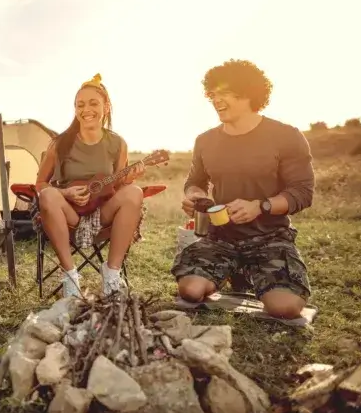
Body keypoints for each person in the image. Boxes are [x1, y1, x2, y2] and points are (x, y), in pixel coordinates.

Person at [171, 59, 314, 319]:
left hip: (269, 237)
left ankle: (251, 272)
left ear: (248, 92)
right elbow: (195, 181)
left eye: (225, 93)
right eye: (213, 94)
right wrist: (195, 196)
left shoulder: (286, 136)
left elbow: (302, 192)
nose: (216, 99)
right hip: (219, 236)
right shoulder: (205, 140)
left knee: (284, 307)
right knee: (190, 291)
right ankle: (232, 270)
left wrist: (260, 206)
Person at [34, 74, 145, 298]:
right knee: (47, 196)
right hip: (68, 216)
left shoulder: (117, 143)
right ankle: (70, 276)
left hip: (102, 215)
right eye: (80, 104)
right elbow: (40, 183)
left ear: (106, 106)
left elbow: (118, 183)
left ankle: (112, 275)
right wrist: (64, 192)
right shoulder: (60, 143)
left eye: (93, 103)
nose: (87, 109)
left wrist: (130, 178)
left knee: (134, 192)